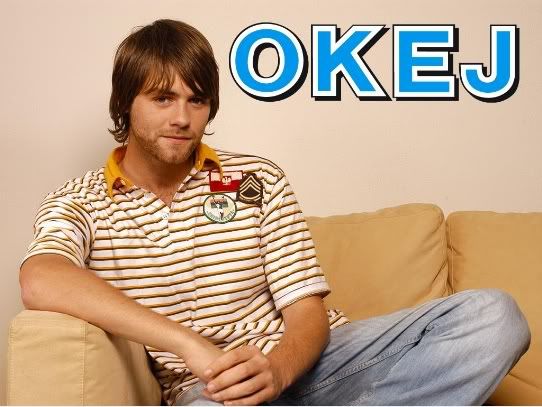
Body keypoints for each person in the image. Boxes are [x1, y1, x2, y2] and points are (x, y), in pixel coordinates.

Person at [19, 19, 530, 406]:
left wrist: (279, 369)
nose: (182, 117)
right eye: (163, 98)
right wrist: (189, 346)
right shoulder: (82, 200)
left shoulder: (256, 179)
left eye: (197, 101)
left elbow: (306, 312)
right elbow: (41, 278)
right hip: (211, 390)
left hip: (319, 365)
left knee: (493, 316)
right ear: (125, 103)